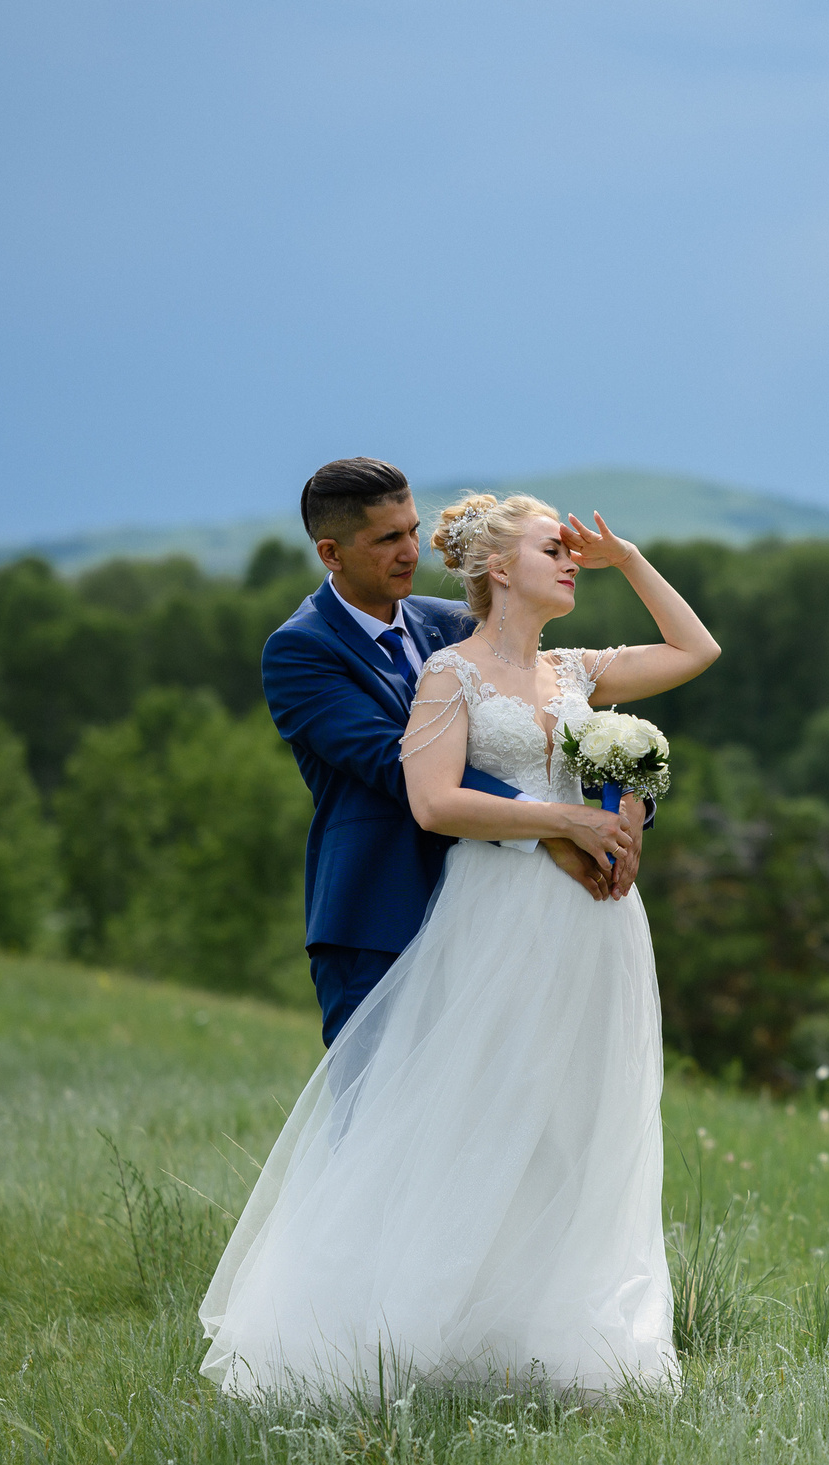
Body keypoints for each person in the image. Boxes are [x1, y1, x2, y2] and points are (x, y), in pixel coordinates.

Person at [200, 489, 720, 1399]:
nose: (570, 561)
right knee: (439, 1121)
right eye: (552, 549)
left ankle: (539, 1336)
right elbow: (422, 791)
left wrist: (629, 563)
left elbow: (694, 653)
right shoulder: (416, 664)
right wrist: (562, 823)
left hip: (591, 925)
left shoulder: (555, 663)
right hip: (456, 910)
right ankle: (373, 1338)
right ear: (498, 568)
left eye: (412, 533)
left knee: (573, 1128)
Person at [257, 456, 644, 1046]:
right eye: (387, 539)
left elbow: (544, 718)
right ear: (331, 553)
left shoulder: (454, 623)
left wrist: (627, 801)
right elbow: (397, 766)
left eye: (413, 530)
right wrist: (555, 825)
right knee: (379, 1099)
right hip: (382, 910)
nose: (411, 552)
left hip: (494, 910)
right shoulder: (299, 651)